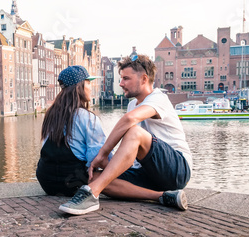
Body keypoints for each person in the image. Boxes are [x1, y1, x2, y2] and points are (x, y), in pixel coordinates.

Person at [59, 54, 192, 215]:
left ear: (144, 79)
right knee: (96, 177)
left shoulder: (158, 99)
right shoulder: (132, 105)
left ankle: (91, 194)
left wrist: (103, 154)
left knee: (134, 131)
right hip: (149, 173)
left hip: (177, 170)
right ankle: (163, 196)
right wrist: (106, 163)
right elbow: (129, 149)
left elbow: (130, 120)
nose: (121, 83)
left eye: (126, 79)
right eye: (121, 78)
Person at [36, 65, 109, 196]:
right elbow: (97, 157)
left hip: (46, 182)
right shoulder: (88, 117)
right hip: (73, 183)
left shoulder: (50, 114)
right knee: (109, 174)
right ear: (79, 86)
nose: (91, 87)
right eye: (88, 82)